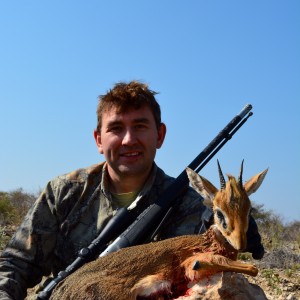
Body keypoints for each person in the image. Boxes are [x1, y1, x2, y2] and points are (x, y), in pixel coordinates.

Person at [0, 81, 264, 300]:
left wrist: (236, 229)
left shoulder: (193, 206)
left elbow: (209, 266)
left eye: (140, 126)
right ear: (99, 140)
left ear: (159, 135)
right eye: (116, 128)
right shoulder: (64, 192)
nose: (128, 139)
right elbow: (15, 265)